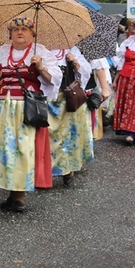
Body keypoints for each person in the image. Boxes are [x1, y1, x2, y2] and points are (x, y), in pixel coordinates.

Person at [0, 16, 62, 212]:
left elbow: (53, 81)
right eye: (16, 29)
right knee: (4, 148)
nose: (20, 32)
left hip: (25, 109)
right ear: (10, 34)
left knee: (22, 149)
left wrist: (41, 67)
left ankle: (19, 195)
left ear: (32, 33)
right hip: (1, 109)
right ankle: (11, 190)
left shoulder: (40, 52)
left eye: (24, 29)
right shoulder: (1, 52)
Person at [48, 46, 93, 186]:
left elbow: (85, 75)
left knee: (68, 137)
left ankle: (68, 168)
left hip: (69, 100)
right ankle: (47, 171)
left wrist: (74, 62)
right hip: (49, 100)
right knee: (49, 137)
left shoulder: (71, 50)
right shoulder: (40, 50)